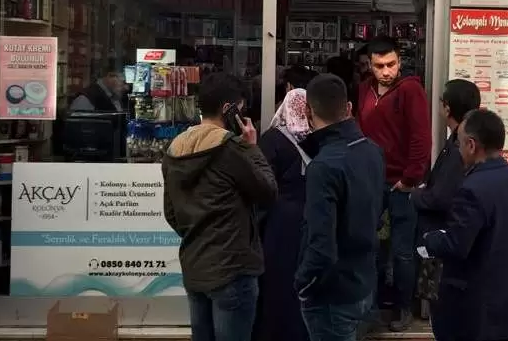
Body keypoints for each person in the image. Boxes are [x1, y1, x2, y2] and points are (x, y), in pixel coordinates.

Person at [162, 73, 277, 341]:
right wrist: (252, 148)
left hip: (195, 265)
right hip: (233, 268)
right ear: (229, 109)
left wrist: (198, 235)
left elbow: (171, 213)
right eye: (241, 110)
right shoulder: (231, 149)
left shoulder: (174, 149)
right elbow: (268, 192)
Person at [420, 110, 508, 341]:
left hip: (480, 314)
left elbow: (456, 245)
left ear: (471, 145)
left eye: (460, 143)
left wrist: (429, 239)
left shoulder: (473, 188)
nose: (459, 150)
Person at [296, 74, 384, 341]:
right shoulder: (372, 150)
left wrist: (303, 283)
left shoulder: (323, 166)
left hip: (333, 293)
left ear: (308, 112)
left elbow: (321, 244)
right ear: (348, 108)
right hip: (362, 282)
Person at [356, 36, 431, 331]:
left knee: (402, 251)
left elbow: (421, 138)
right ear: (370, 65)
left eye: (391, 64)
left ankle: (403, 308)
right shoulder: (364, 89)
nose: (386, 71)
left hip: (402, 185)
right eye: (379, 66)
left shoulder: (411, 90)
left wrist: (410, 178)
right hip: (372, 181)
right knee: (370, 248)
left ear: (400, 61)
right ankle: (370, 308)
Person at [410, 80, 480, 329]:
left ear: (447, 107)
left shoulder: (459, 146)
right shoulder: (458, 142)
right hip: (447, 238)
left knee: (444, 313)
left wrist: (415, 196)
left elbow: (440, 197)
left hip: (443, 239)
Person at [255, 89, 311, 341]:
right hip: (308, 218)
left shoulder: (272, 139)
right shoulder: (317, 138)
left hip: (278, 222)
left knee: (277, 280)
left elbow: (261, 182)